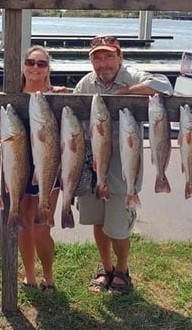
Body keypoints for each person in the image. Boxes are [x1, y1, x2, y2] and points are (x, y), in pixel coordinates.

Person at [74, 35, 173, 295]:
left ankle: (122, 270)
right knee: (98, 219)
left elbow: (164, 86)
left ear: (120, 56)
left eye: (108, 56)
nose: (103, 63)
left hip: (123, 165)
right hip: (93, 163)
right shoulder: (87, 83)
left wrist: (126, 93)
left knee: (117, 224)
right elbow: (72, 105)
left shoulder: (132, 75)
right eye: (97, 57)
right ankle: (105, 268)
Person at [19, 45, 67, 293]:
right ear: (23, 65)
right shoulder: (12, 95)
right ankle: (29, 275)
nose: (35, 67)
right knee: (22, 225)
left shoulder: (58, 96)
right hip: (18, 168)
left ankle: (48, 276)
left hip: (48, 169)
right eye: (30, 62)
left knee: (40, 227)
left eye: (41, 63)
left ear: (48, 69)